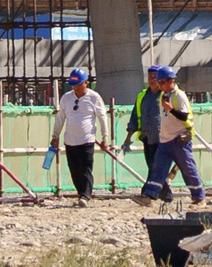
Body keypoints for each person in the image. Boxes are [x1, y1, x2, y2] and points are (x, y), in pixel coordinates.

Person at [124, 64, 203, 208]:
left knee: (188, 169)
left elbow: (184, 116)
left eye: (161, 82)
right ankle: (149, 196)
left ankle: (199, 197)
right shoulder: (162, 95)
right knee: (158, 169)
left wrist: (170, 109)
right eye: (158, 82)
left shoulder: (179, 96)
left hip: (179, 139)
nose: (159, 85)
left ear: (170, 81)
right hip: (164, 140)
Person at [46, 67, 112, 205]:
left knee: (86, 168)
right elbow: (60, 118)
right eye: (73, 85)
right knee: (75, 170)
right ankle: (81, 193)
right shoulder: (66, 98)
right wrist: (55, 136)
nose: (76, 88)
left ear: (86, 82)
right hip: (70, 140)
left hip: (87, 140)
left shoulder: (94, 97)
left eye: (78, 84)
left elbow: (102, 118)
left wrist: (105, 138)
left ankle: (85, 196)